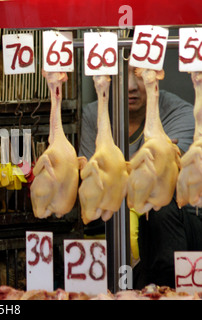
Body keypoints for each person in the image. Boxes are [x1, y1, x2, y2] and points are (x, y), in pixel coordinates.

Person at [79, 65, 202, 289]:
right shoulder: (91, 115)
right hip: (113, 223)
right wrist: (146, 163)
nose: (131, 87)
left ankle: (165, 291)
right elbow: (94, 188)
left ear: (157, 74)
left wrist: (114, 171)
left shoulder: (180, 112)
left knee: (160, 208)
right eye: (119, 75)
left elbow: (163, 180)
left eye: (138, 74)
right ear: (106, 77)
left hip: (173, 227)